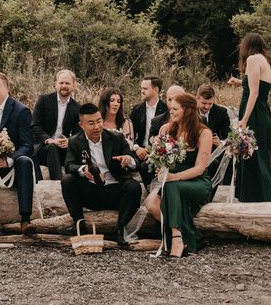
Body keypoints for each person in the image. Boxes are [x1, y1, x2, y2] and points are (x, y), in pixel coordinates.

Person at [143, 92, 213, 257]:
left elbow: (200, 168)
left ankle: (176, 237)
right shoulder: (166, 129)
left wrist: (175, 177)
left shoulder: (204, 133)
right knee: (152, 204)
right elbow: (159, 158)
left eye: (175, 109)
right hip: (171, 182)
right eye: (170, 109)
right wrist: (161, 168)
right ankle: (189, 235)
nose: (171, 112)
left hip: (197, 182)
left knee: (171, 185)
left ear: (187, 111)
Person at [61, 103, 142, 246]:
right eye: (91, 123)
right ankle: (81, 228)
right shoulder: (74, 141)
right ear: (81, 125)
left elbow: (135, 161)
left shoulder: (116, 138)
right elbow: (69, 165)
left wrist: (128, 160)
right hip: (90, 192)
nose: (97, 127)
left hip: (114, 191)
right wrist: (82, 169)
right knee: (68, 181)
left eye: (99, 121)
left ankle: (119, 229)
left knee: (134, 187)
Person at [0, 72, 37, 236]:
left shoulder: (21, 110)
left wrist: (9, 160)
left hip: (14, 167)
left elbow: (27, 145)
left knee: (24, 161)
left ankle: (25, 220)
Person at [228, 32, 271, 202]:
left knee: (252, 157)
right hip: (263, 113)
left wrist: (244, 119)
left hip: (255, 114)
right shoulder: (265, 61)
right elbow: (259, 85)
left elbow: (254, 92)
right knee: (260, 158)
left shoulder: (253, 59)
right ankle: (260, 198)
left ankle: (253, 199)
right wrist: (240, 82)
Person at [31, 69, 81, 180]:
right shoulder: (44, 100)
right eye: (61, 83)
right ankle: (58, 182)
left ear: (74, 85)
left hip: (63, 148)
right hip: (43, 148)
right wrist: (50, 140)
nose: (64, 86)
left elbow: (79, 133)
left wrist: (69, 141)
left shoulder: (77, 108)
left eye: (67, 83)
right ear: (55, 84)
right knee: (53, 147)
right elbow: (35, 125)